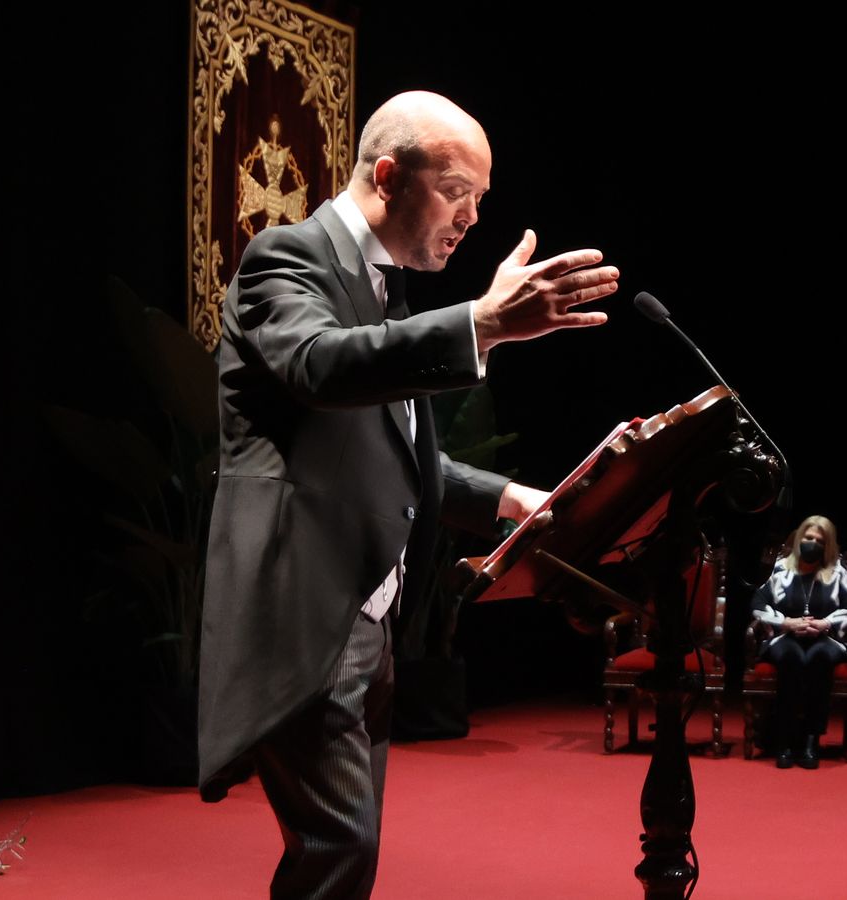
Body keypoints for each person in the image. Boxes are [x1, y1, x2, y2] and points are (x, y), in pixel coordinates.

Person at [197, 90, 621, 897]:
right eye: (456, 192)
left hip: (370, 618)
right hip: (308, 615)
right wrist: (484, 326)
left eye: (479, 201)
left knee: (340, 858)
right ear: (388, 176)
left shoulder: (384, 284)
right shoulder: (284, 259)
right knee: (337, 852)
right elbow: (319, 366)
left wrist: (512, 497)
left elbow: (392, 450)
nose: (469, 218)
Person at [749, 515, 847, 769]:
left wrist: (825, 623)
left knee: (818, 659)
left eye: (819, 541)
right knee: (792, 658)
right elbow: (757, 603)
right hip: (785, 636)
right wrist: (786, 622)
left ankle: (811, 741)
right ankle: (784, 740)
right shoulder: (779, 569)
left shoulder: (838, 573)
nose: (812, 543)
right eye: (808, 538)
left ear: (827, 545)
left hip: (826, 638)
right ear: (800, 539)